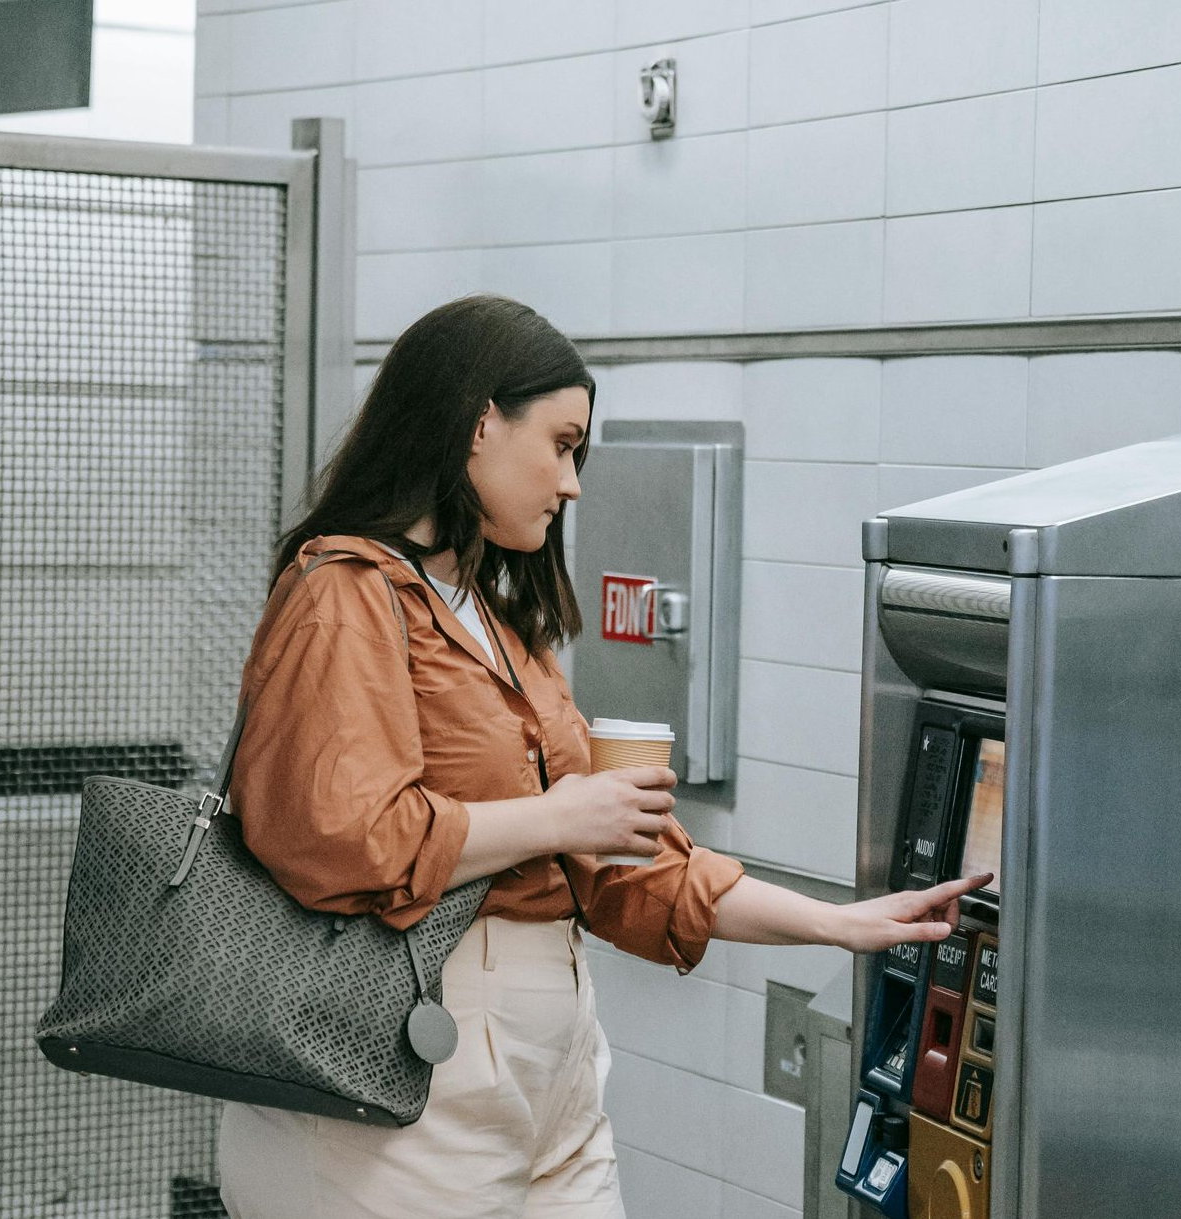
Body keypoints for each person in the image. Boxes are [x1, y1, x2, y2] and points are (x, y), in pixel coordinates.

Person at [215, 295, 991, 1219]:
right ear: (477, 424)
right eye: (560, 443)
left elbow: (623, 873)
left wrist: (842, 924)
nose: (573, 481)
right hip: (393, 1092)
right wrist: (554, 816)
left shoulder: (500, 627)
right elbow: (335, 837)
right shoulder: (344, 591)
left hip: (550, 1084)